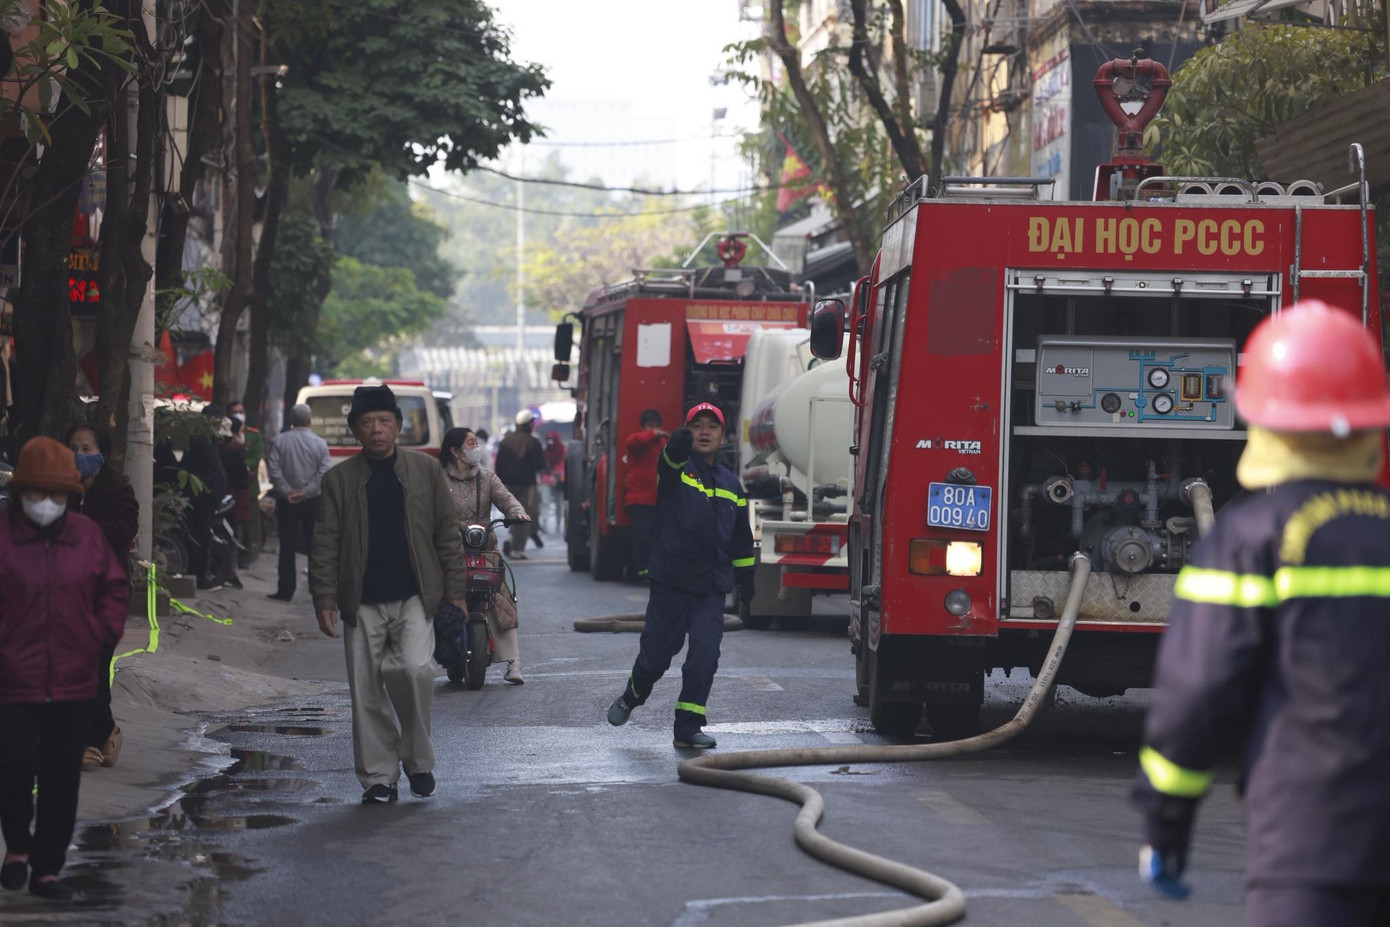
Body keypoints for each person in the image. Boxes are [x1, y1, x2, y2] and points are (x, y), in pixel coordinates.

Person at [1133, 301, 1390, 924]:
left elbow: (1197, 693)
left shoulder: (1251, 541)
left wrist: (1166, 822)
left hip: (1311, 851)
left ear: (1262, 422)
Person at [309, 384, 468, 803]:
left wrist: (456, 593)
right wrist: (324, 598)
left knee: (415, 670)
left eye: (383, 421)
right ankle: (379, 777)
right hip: (360, 600)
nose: (376, 430)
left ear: (398, 425)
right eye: (366, 423)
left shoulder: (425, 470)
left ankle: (417, 760)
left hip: (416, 595)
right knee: (365, 690)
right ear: (355, 432)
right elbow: (325, 542)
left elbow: (446, 535)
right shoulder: (338, 481)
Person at [0, 437, 129, 900]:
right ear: (20, 494)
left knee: (61, 777)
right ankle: (18, 845)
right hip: (12, 681)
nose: (47, 504)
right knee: (12, 768)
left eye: (58, 495)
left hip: (75, 682)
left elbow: (114, 591)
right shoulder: (2, 538)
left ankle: (48, 869)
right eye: (38, 494)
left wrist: (101, 636)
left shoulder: (88, 537)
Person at [606, 403, 755, 749]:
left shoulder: (732, 484)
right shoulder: (677, 471)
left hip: (711, 587)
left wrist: (747, 576)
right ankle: (633, 694)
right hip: (673, 581)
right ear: (687, 433)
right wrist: (674, 450)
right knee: (656, 656)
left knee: (704, 656)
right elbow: (668, 465)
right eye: (696, 426)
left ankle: (688, 725)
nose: (705, 432)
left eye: (712, 427)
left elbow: (741, 538)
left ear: (723, 436)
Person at [64, 421, 139, 772]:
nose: (79, 455)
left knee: (93, 669)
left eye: (87, 450)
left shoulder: (118, 491)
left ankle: (88, 741)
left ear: (103, 456)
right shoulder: (58, 489)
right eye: (73, 448)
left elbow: (125, 529)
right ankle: (105, 730)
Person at [439, 427, 531, 684]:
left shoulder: (488, 478)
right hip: (449, 550)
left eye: (477, 442)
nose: (476, 447)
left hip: (485, 550)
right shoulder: (437, 479)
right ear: (456, 452)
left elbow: (507, 500)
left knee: (502, 598)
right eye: (471, 443)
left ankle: (513, 662)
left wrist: (518, 513)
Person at [266, 403, 330, 603]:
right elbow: (323, 473)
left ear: (291, 420)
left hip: (287, 501)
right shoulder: (320, 444)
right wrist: (307, 492)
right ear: (310, 421)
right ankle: (317, 589)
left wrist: (287, 491)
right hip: (312, 501)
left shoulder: (280, 441)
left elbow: (274, 468)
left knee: (287, 545)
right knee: (315, 545)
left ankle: (286, 590)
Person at [494, 410, 548, 559]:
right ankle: (516, 549)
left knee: (512, 513)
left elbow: (498, 464)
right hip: (526, 485)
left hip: (508, 485)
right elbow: (539, 464)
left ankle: (512, 540)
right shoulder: (532, 441)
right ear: (529, 424)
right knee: (524, 515)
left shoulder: (506, 440)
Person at [183, 408, 228, 587]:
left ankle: (201, 574)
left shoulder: (208, 440)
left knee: (202, 537)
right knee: (199, 537)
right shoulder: (199, 440)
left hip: (208, 497)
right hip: (201, 497)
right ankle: (199, 576)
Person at [622, 409, 667, 580]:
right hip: (640, 498)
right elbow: (634, 442)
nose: (653, 429)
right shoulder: (638, 440)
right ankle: (642, 569)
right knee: (643, 536)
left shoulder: (663, 443)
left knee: (657, 536)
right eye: (649, 426)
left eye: (656, 426)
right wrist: (653, 433)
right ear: (643, 427)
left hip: (659, 498)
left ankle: (654, 568)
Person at [543, 431, 566, 535]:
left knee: (559, 505)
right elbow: (542, 466)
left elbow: (563, 466)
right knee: (545, 503)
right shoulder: (545, 452)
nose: (551, 442)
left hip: (559, 481)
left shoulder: (563, 451)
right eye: (549, 440)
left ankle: (558, 525)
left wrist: (556, 477)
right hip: (546, 480)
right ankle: (544, 524)